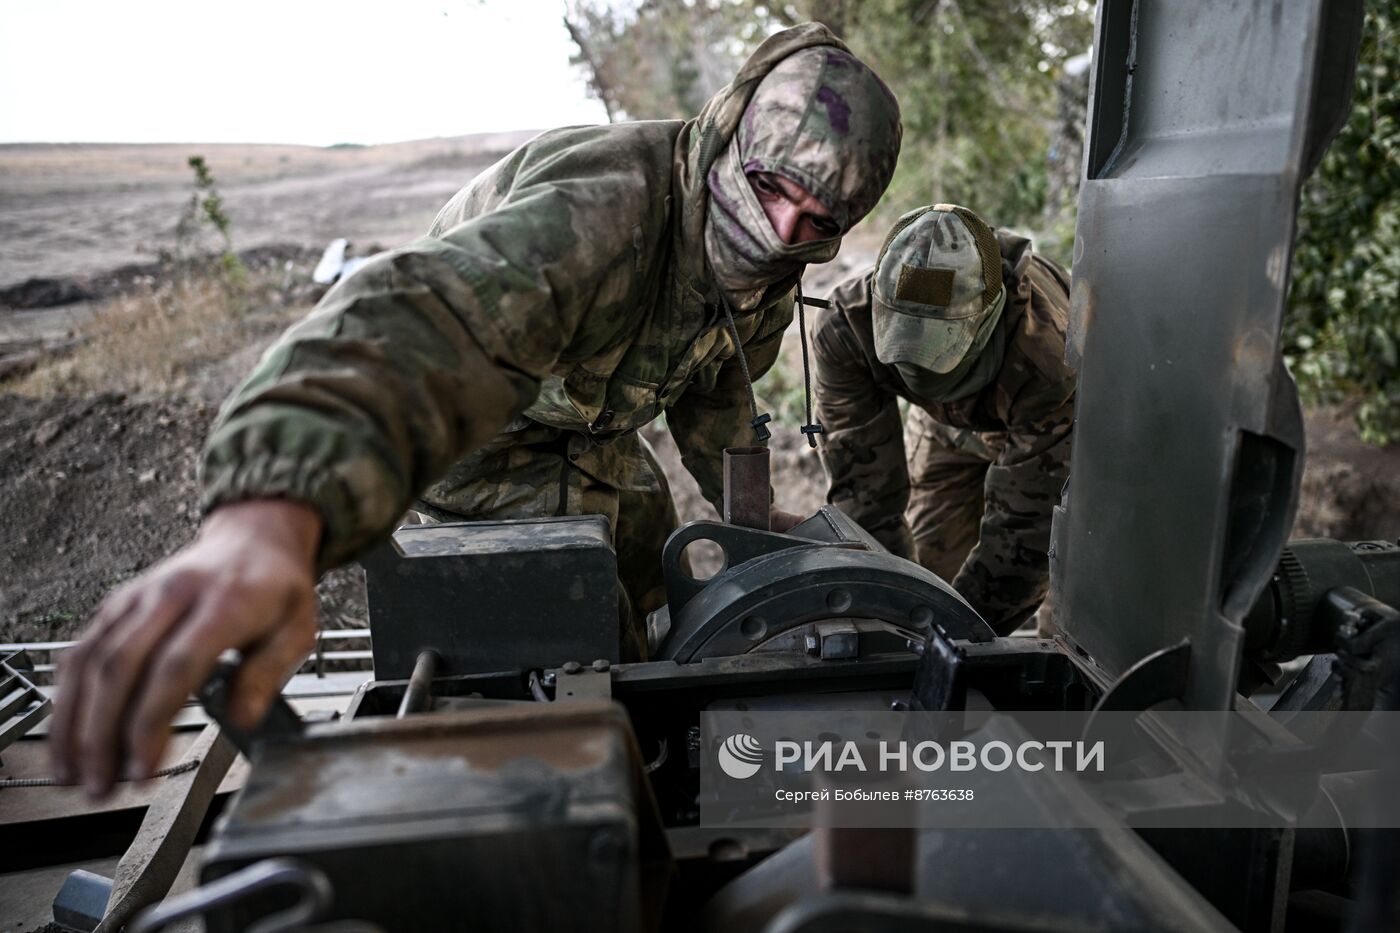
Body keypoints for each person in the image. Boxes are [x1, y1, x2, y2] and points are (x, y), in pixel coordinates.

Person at [50, 23, 901, 797]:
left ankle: (657, 748)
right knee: (572, 622)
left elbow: (716, 372)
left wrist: (743, 510)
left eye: (816, 218)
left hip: (590, 430)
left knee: (655, 566)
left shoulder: (773, 252)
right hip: (485, 438)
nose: (780, 227)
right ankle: (583, 793)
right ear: (732, 138)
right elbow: (425, 326)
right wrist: (271, 521)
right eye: (768, 186)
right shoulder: (609, 207)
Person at [811, 204, 1074, 635]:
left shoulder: (1048, 357)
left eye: (938, 350)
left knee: (1065, 609)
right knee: (924, 576)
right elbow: (866, 491)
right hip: (944, 427)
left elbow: (1024, 537)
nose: (920, 370)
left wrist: (953, 646)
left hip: (1052, 426)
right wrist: (895, 616)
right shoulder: (847, 329)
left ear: (986, 319)